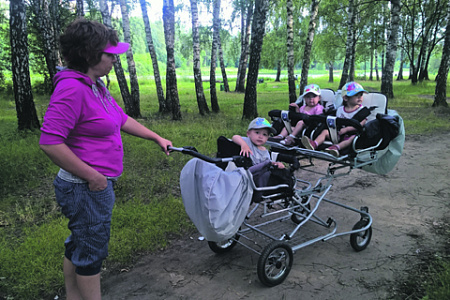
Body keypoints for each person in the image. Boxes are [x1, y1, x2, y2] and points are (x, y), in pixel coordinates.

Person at [39, 18, 172, 300]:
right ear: (90, 54)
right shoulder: (72, 89)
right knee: (91, 252)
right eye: (110, 53)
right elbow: (50, 142)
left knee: (79, 242)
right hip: (85, 188)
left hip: (91, 186)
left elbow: (120, 118)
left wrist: (156, 137)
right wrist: (93, 176)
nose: (114, 58)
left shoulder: (95, 85)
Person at [302, 81, 368, 157]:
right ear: (346, 98)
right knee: (325, 131)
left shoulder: (362, 111)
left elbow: (361, 124)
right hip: (339, 134)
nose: (360, 97)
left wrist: (347, 129)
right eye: (356, 95)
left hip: (352, 134)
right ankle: (314, 144)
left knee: (352, 138)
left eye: (361, 95)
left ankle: (336, 148)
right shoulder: (340, 110)